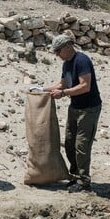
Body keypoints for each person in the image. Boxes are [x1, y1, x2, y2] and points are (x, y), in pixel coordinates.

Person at [44, 34, 102, 192]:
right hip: (75, 107)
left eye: (58, 51)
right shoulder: (66, 64)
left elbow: (85, 86)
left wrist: (63, 94)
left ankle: (84, 180)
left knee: (81, 145)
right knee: (69, 143)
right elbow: (62, 84)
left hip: (89, 109)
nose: (57, 55)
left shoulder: (82, 60)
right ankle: (75, 175)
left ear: (68, 46)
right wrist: (41, 89)